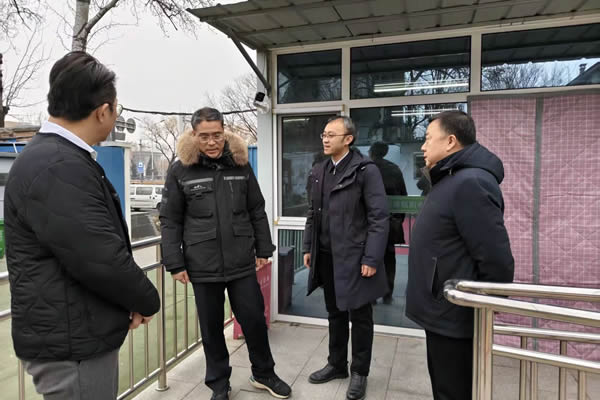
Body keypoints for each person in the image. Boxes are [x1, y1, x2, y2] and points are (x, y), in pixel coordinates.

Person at [4, 51, 161, 400]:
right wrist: (147, 300)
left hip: (74, 331)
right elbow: (98, 257)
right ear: (103, 111)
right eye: (117, 108)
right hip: (72, 343)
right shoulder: (57, 165)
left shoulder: (55, 157)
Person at [160, 107, 291, 400]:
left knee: (254, 320)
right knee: (211, 329)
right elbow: (170, 219)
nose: (212, 142)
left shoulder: (240, 165)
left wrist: (263, 248)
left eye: (217, 135)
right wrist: (174, 262)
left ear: (224, 132)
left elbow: (256, 208)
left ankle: (264, 374)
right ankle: (219, 384)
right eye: (204, 136)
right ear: (194, 135)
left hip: (240, 260)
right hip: (202, 263)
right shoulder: (181, 169)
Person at [406, 110, 514, 400]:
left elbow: (495, 256)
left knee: (453, 391)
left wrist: (487, 302)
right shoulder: (450, 177)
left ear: (451, 141)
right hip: (442, 307)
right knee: (443, 387)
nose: (423, 146)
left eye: (428, 138)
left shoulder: (471, 182)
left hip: (454, 312)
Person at [303, 116, 389, 400]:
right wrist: (308, 247)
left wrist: (371, 258)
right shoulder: (320, 170)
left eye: (331, 134)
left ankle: (360, 373)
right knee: (335, 312)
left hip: (356, 257)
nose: (325, 139)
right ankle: (337, 364)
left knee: (360, 317)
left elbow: (379, 218)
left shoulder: (365, 170)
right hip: (327, 255)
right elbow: (312, 214)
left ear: (348, 139)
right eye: (324, 135)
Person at [368, 142, 408, 304]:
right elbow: (403, 197)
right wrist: (398, 219)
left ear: (371, 152)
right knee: (389, 259)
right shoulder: (394, 170)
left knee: (370, 257)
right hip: (391, 222)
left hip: (369, 222)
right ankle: (388, 294)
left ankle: (371, 295)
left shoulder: (367, 168)